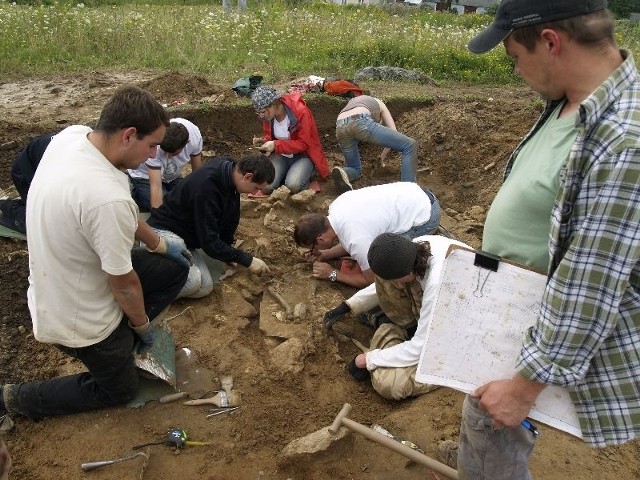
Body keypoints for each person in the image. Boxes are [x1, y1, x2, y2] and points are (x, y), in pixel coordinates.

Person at [456, 1, 640, 478]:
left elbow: (591, 284)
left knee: (495, 419)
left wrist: (523, 388)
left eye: (515, 55)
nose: (516, 69)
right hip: (511, 311)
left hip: (545, 333)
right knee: (482, 420)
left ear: (552, 42)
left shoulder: (625, 140)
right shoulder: (569, 102)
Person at [0, 86, 190, 422]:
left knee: (172, 270)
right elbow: (125, 284)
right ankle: (16, 398)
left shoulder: (74, 137)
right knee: (119, 389)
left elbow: (125, 211)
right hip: (77, 319)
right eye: (152, 146)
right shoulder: (105, 199)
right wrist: (143, 326)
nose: (152, 156)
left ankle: (122, 338)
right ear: (129, 135)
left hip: (69, 275)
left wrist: (157, 242)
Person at [324, 233, 470, 400]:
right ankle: (405, 331)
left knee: (390, 385)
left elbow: (420, 347)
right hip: (445, 313)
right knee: (384, 275)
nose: (395, 285)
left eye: (396, 280)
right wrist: (348, 305)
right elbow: (387, 277)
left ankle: (449, 374)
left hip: (461, 341)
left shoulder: (439, 285)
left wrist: (368, 359)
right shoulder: (413, 250)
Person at [147, 154, 275, 298]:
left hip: (186, 238)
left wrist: (228, 253)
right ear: (247, 177)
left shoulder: (231, 169)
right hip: (163, 232)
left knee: (204, 287)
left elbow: (230, 215)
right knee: (192, 282)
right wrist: (247, 260)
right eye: (256, 187)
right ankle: (144, 291)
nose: (255, 193)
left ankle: (167, 276)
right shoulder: (206, 189)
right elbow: (210, 243)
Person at [293, 182, 441, 288]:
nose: (314, 250)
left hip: (426, 216)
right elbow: (350, 241)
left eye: (313, 246)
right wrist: (326, 254)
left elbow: (371, 279)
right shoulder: (336, 206)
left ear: (320, 238)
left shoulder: (356, 239)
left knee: (392, 261)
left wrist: (333, 274)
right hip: (414, 191)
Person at [251, 85, 329, 195]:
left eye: (263, 111)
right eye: (259, 112)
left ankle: (306, 172)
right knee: (266, 187)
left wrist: (275, 145)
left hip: (303, 156)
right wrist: (264, 142)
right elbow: (271, 137)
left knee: (294, 186)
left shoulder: (301, 112)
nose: (261, 115)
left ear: (274, 104)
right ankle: (288, 173)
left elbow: (304, 144)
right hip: (281, 155)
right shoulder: (268, 118)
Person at [332, 95, 417, 193]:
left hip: (339, 125)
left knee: (355, 168)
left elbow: (350, 124)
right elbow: (393, 131)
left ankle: (344, 172)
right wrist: (382, 157)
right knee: (409, 145)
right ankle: (409, 191)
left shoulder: (355, 101)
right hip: (360, 120)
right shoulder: (381, 104)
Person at [128, 118, 203, 211]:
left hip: (171, 175)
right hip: (145, 176)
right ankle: (136, 193)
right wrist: (159, 218)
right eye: (166, 152)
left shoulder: (194, 137)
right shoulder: (155, 147)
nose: (168, 156)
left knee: (186, 198)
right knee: (168, 207)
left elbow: (198, 173)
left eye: (173, 153)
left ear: (185, 144)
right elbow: (156, 186)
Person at [0, 132, 56, 234]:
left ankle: (24, 204)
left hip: (41, 164)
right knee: (42, 223)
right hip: (26, 170)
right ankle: (5, 206)